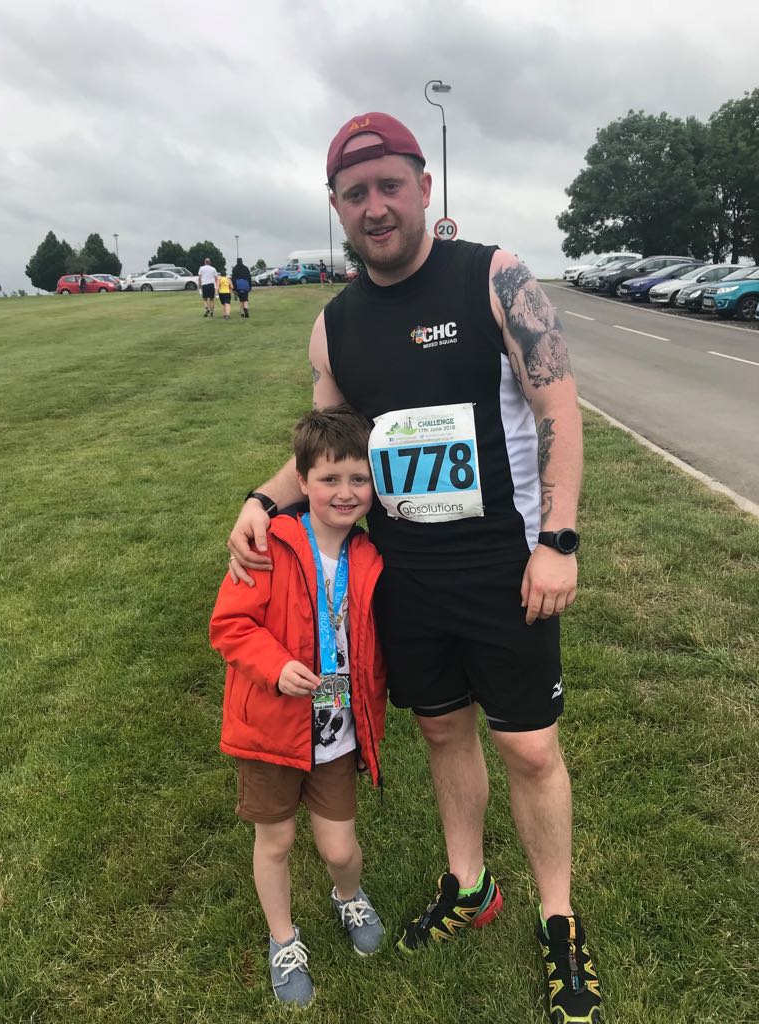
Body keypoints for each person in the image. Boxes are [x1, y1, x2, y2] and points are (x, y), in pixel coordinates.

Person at [227, 112, 602, 1024]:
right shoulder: (335, 325)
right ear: (337, 209)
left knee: (528, 746)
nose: (376, 206)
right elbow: (326, 449)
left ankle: (559, 923)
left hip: (506, 566)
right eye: (356, 194)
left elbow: (559, 406)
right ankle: (470, 885)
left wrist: (558, 540)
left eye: (390, 184)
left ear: (423, 188)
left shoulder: (493, 277)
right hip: (402, 574)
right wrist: (263, 499)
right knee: (442, 734)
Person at [211, 404, 387, 1008]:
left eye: (358, 479)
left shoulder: (370, 558)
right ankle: (283, 939)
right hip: (271, 732)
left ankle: (348, 896)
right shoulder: (268, 544)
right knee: (277, 841)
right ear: (302, 483)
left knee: (340, 847)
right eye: (329, 479)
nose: (344, 492)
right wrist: (273, 665)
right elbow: (229, 625)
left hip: (336, 734)